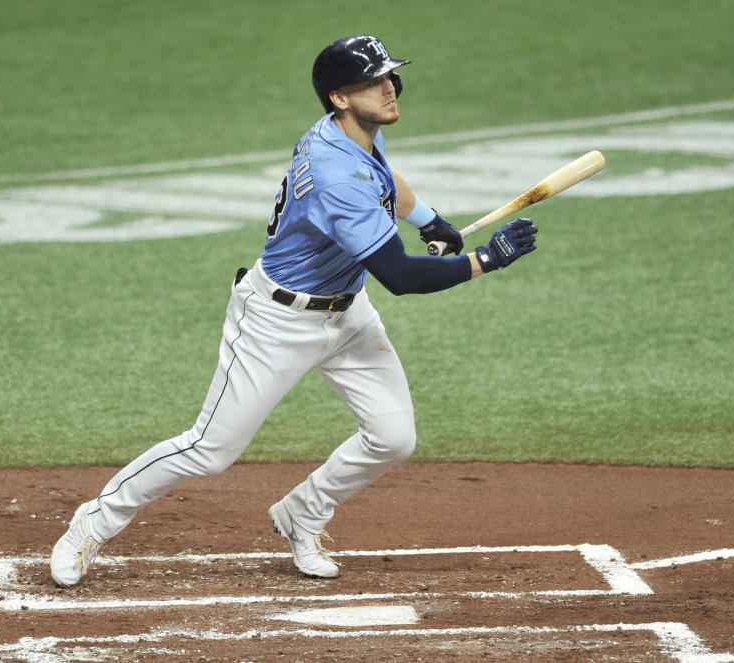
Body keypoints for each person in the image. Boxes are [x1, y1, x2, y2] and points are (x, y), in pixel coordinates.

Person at [50, 34, 538, 585]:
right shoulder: (335, 172)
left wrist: (426, 218)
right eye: (373, 80)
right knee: (210, 449)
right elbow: (401, 277)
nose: (389, 86)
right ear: (339, 98)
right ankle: (91, 523)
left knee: (393, 437)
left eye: (390, 75)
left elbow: (382, 178)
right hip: (277, 322)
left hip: (348, 313)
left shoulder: (351, 134)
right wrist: (485, 259)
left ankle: (302, 513)